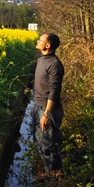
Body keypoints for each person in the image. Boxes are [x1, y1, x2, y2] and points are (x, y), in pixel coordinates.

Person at [33, 33, 64, 175]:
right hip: (39, 107)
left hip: (47, 110)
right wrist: (35, 106)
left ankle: (55, 177)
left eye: (41, 40)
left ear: (47, 45)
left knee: (49, 144)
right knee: (39, 141)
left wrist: (46, 114)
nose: (37, 41)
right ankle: (49, 172)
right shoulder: (41, 60)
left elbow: (54, 91)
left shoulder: (55, 64)